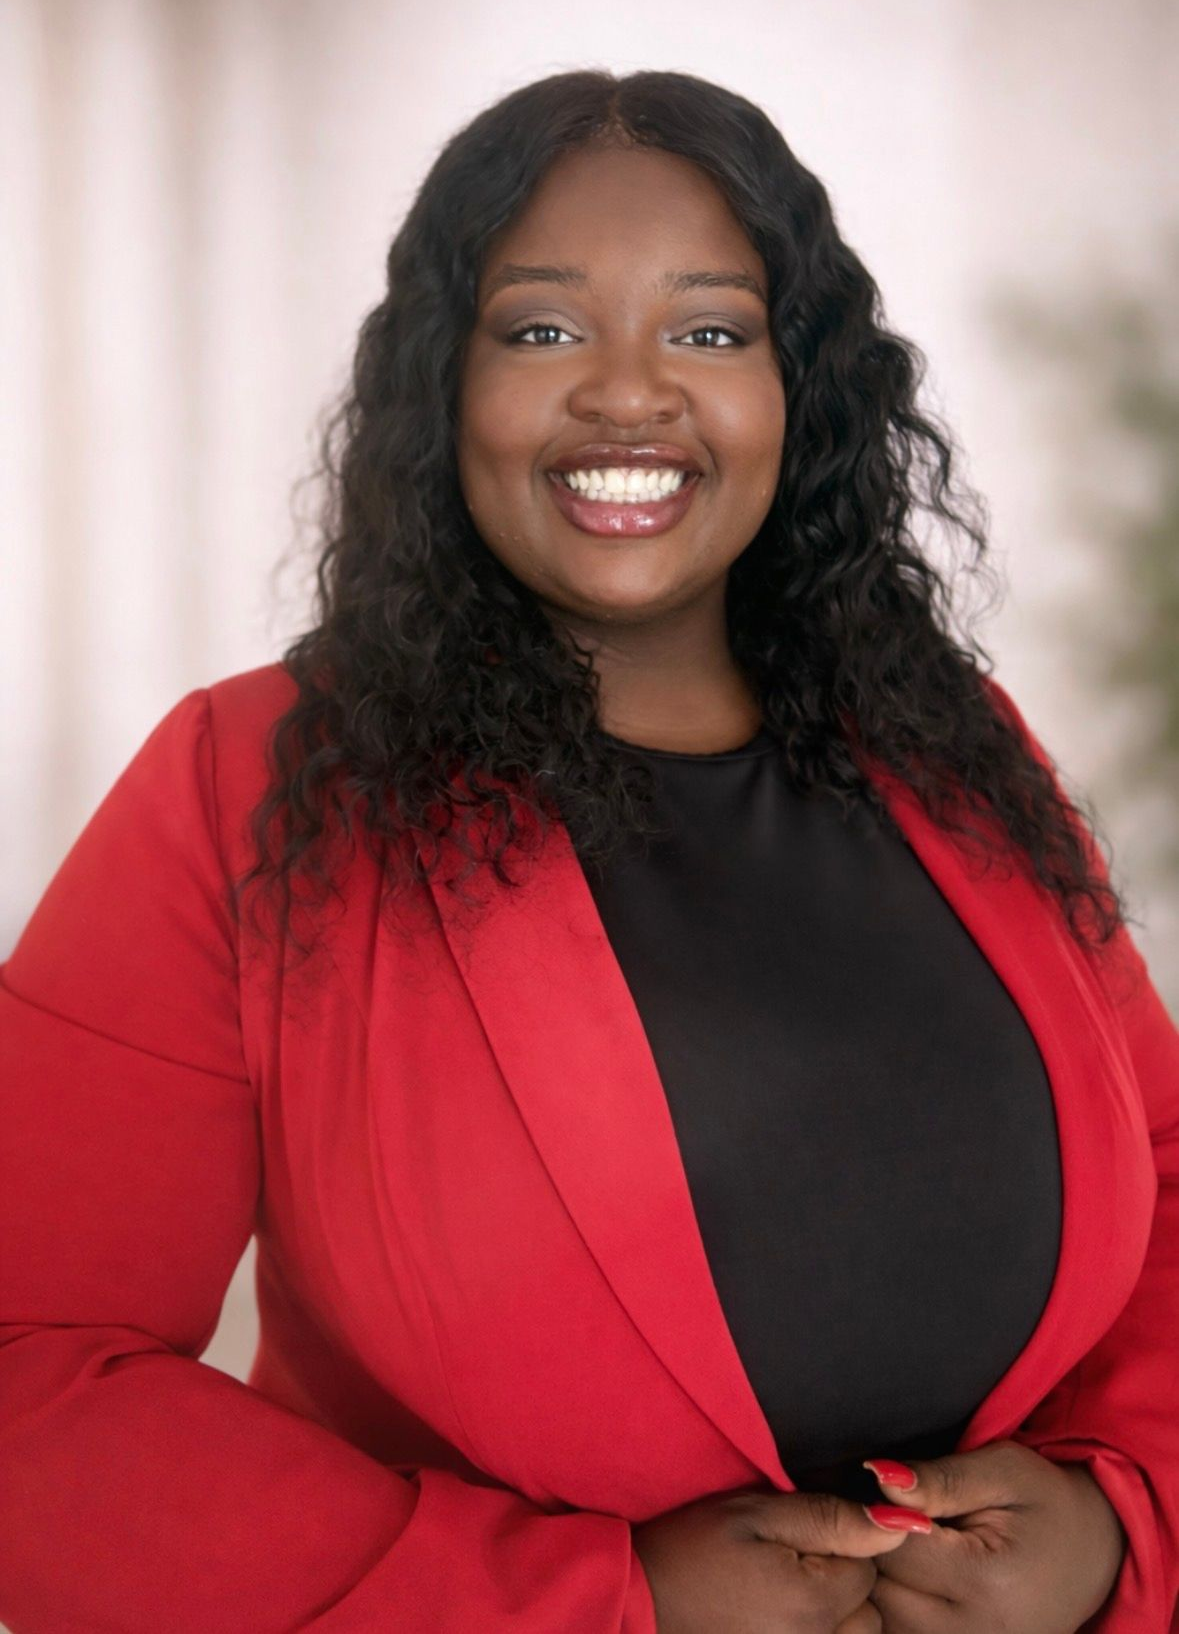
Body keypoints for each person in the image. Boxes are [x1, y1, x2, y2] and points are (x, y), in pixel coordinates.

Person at [1, 67, 1176, 1634]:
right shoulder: (246, 785)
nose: (630, 395)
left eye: (711, 332)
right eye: (544, 329)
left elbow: (1163, 1178)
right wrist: (591, 1602)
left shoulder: (953, 745)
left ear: (799, 389)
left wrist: (1120, 1523)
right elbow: (30, 1378)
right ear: (444, 383)